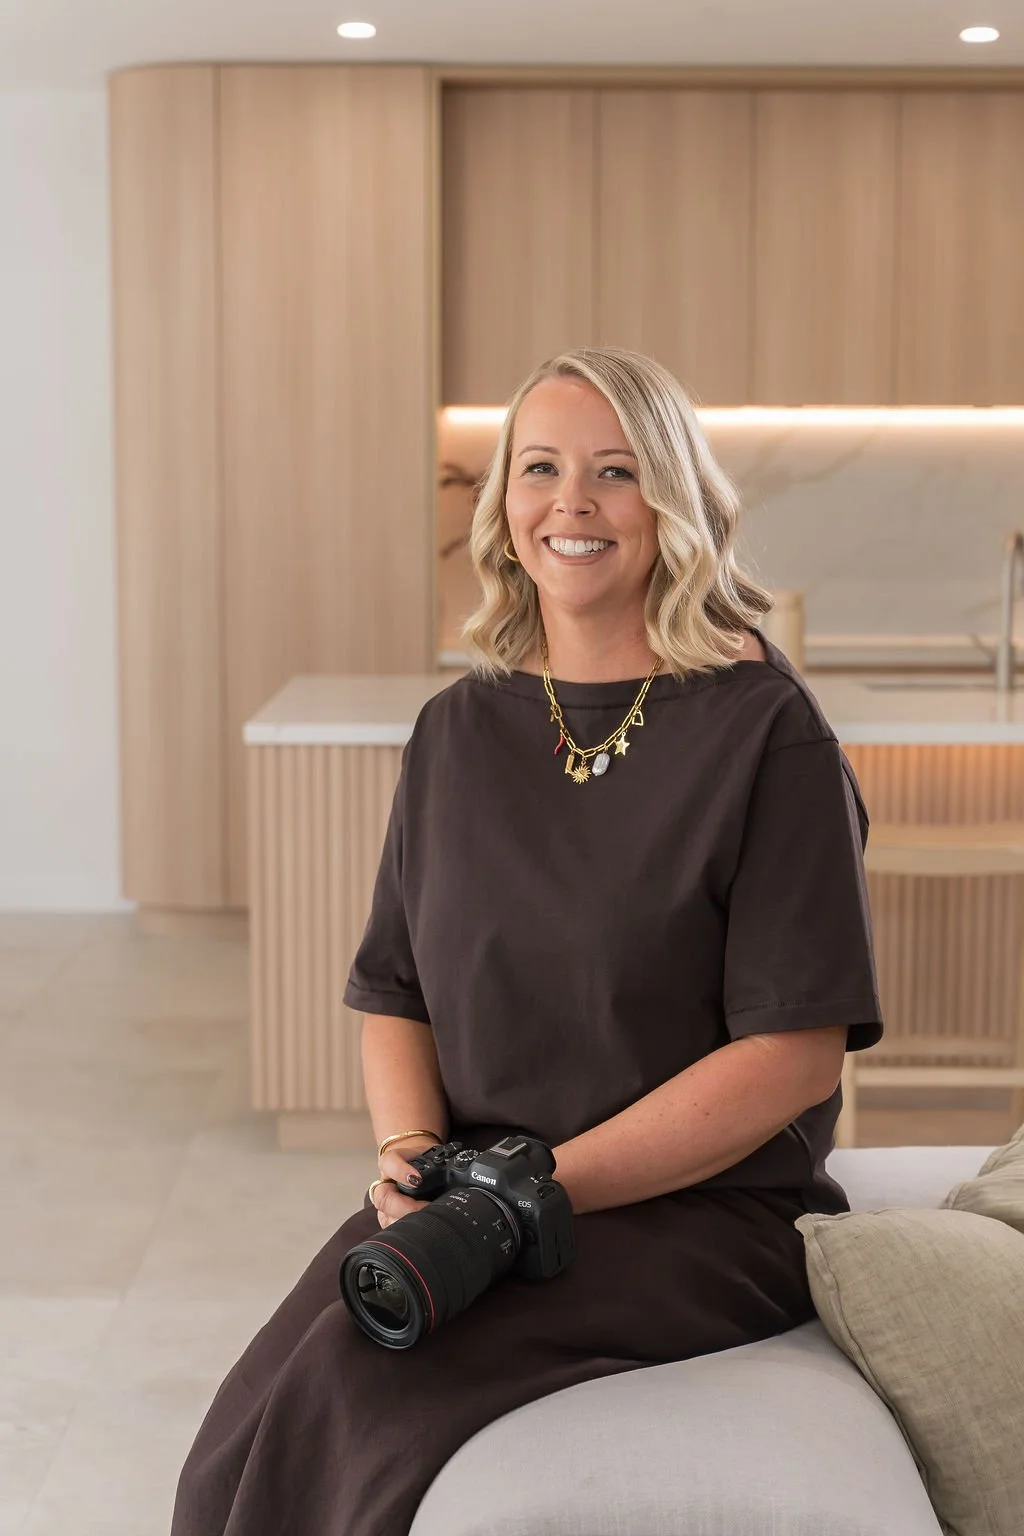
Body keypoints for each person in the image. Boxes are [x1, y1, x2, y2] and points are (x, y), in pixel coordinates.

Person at [171, 347, 883, 1536]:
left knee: (353, 1388)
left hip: (696, 1217)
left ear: (673, 505)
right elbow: (393, 987)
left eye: (615, 472)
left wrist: (538, 1190)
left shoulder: (766, 733)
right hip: (473, 1193)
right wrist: (410, 1152)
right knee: (247, 1418)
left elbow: (794, 1057)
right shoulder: (455, 731)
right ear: (504, 507)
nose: (574, 502)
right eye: (541, 468)